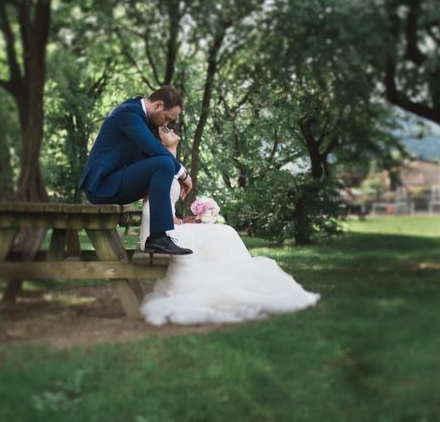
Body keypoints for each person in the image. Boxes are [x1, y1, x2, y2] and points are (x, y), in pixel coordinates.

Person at [137, 125, 320, 325]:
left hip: (169, 224)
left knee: (223, 231)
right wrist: (174, 223)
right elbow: (152, 205)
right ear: (158, 141)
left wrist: (184, 221)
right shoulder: (157, 165)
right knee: (223, 233)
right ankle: (216, 289)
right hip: (158, 229)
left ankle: (238, 284)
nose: (170, 128)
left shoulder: (174, 167)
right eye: (164, 130)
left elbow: (166, 207)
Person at [77, 86, 193, 255]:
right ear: (158, 105)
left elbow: (157, 158)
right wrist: (183, 174)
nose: (166, 124)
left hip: (118, 180)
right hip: (102, 186)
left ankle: (160, 236)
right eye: (167, 118)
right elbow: (155, 151)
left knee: (163, 164)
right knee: (163, 164)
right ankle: (158, 238)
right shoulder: (127, 113)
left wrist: (171, 153)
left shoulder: (145, 120)